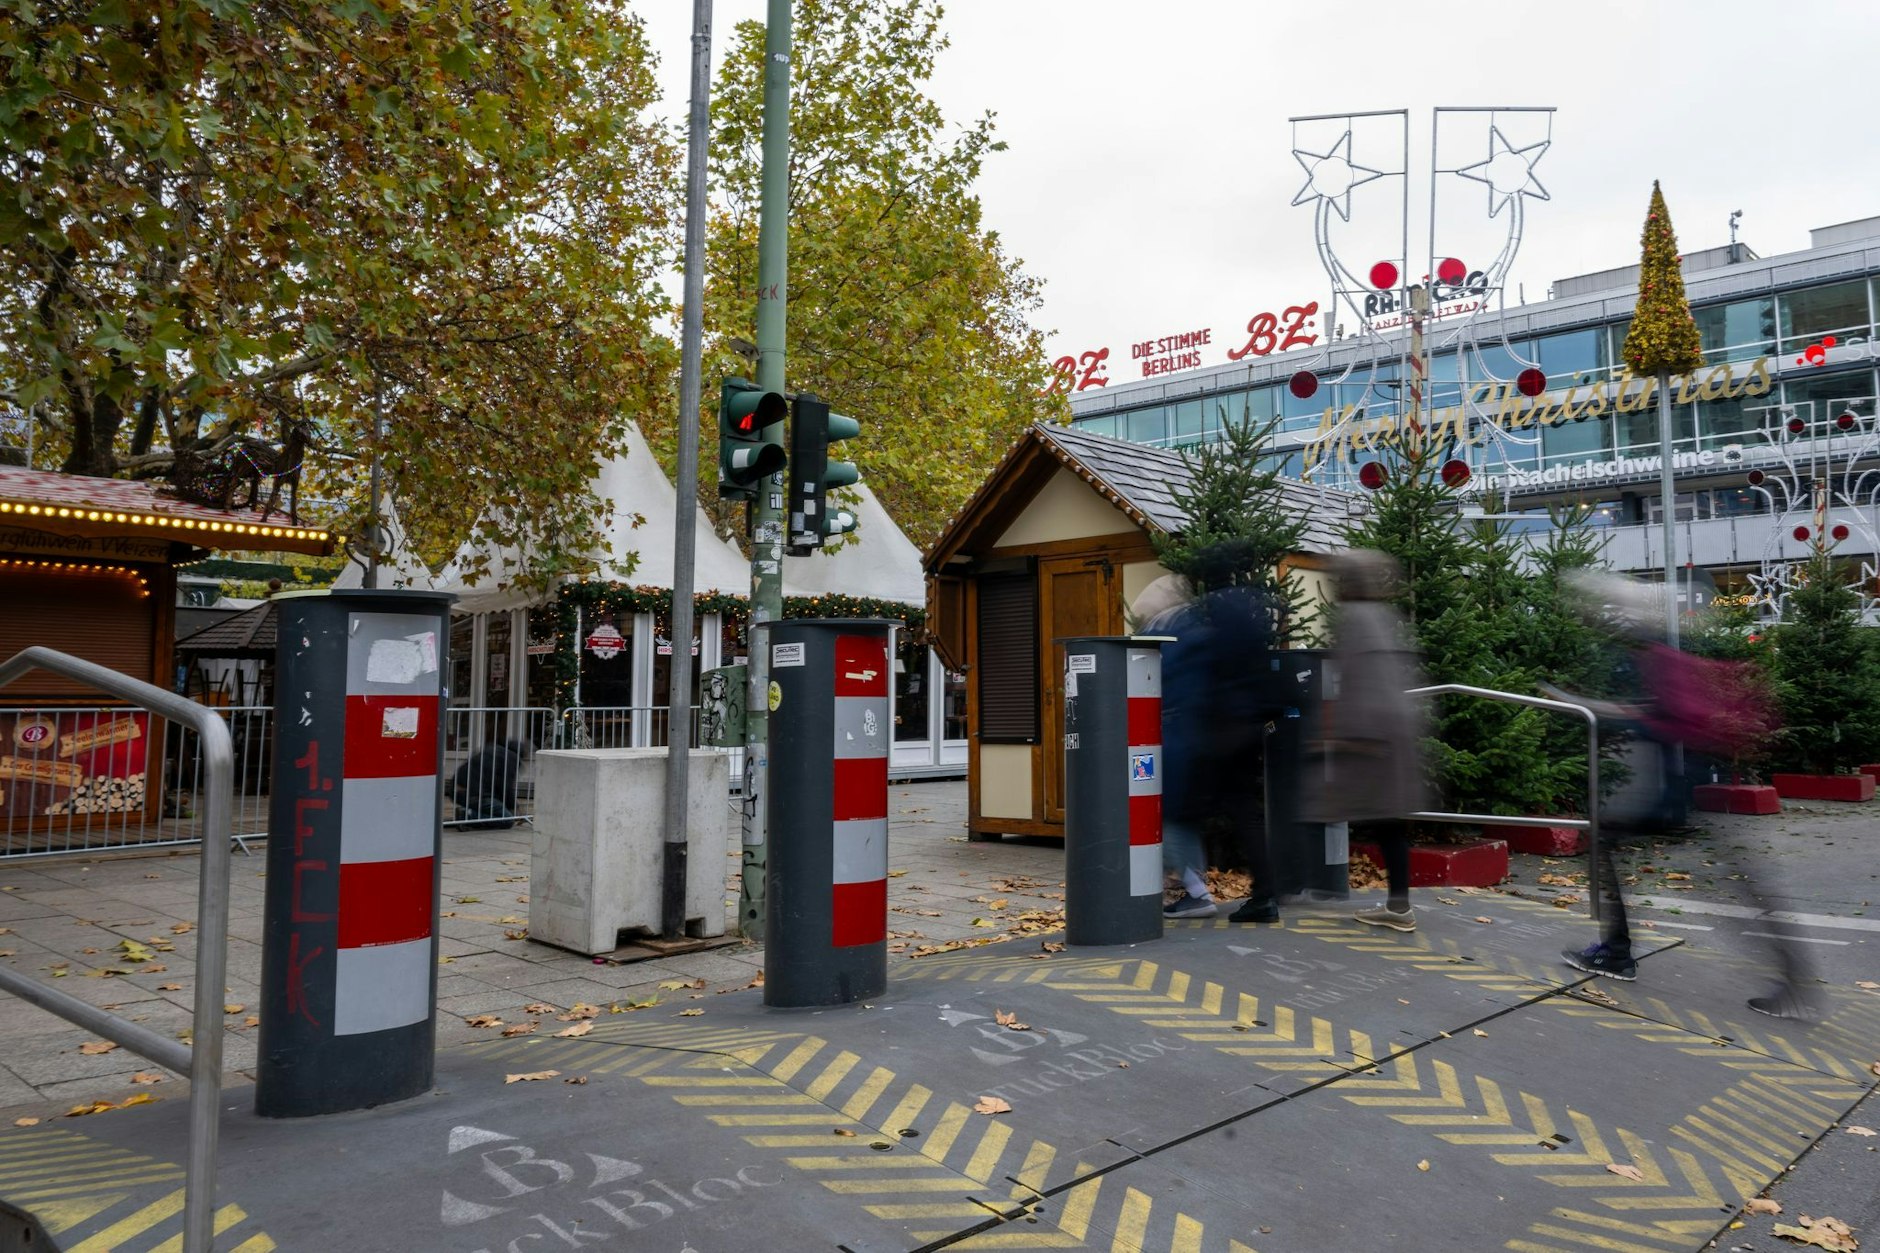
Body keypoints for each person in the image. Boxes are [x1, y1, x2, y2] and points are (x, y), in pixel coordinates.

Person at [1549, 571, 1807, 1018]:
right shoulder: (1662, 648)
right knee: (1734, 882)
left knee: (1731, 885)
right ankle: (1618, 950)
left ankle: (1618, 952)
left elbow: (1664, 716)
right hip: (1684, 778)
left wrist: (1594, 709)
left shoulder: (1651, 654)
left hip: (1666, 781)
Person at [1302, 550, 1431, 932]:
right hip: (1390, 732)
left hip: (1371, 737)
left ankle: (1395, 907)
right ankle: (1398, 905)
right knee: (1388, 823)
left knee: (1338, 808)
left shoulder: (1355, 618)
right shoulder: (1381, 614)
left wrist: (1335, 736)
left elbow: (1359, 676)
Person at [1149, 580, 1288, 924]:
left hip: (1217, 737)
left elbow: (1192, 687)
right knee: (1239, 812)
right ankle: (1264, 891)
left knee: (1179, 811)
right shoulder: (1244, 636)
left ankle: (1198, 892)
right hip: (1244, 733)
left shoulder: (1201, 637)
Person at [449, 738, 533, 830]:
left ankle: (468, 814)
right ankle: (467, 815)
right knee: (507, 819)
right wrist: (514, 807)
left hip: (455, 791)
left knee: (495, 808)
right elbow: (505, 787)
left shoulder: (492, 750)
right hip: (475, 795)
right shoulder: (511, 758)